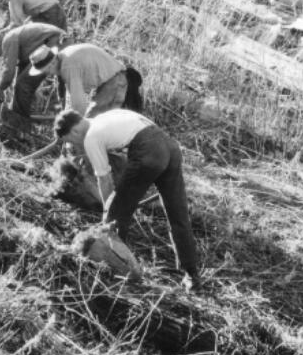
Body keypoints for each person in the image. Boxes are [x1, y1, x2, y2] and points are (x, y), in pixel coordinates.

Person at [54, 108, 200, 290]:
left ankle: (114, 274)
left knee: (114, 219)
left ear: (75, 131)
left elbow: (104, 179)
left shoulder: (91, 137)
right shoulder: (104, 118)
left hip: (148, 149)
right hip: (170, 147)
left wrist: (109, 212)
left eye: (71, 141)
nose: (75, 145)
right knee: (178, 213)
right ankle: (192, 275)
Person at [28, 42, 141, 117]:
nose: (47, 75)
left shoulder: (69, 66)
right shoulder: (64, 59)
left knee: (92, 120)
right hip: (110, 82)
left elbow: (79, 105)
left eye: (46, 71)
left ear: (52, 63)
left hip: (115, 82)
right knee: (91, 119)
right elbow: (71, 97)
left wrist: (68, 127)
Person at [0, 23, 64, 117]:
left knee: (23, 84)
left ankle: (20, 121)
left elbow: (9, 72)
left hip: (55, 43)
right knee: (21, 81)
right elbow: (20, 69)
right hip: (57, 41)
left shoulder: (7, 41)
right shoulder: (14, 37)